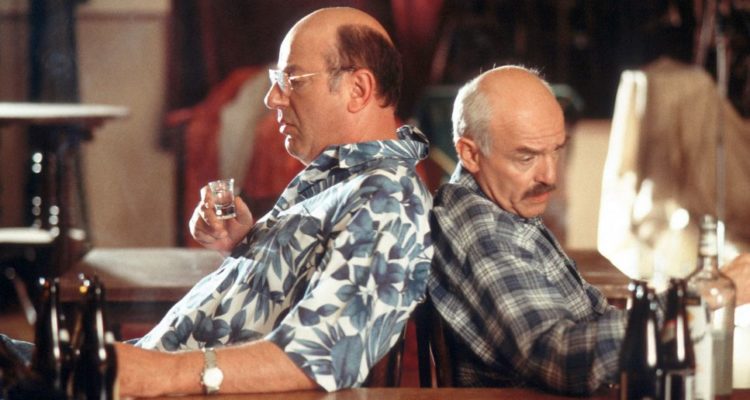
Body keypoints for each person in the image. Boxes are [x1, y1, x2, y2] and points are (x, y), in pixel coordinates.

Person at [110, 7, 433, 397]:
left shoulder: (388, 199)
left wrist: (159, 373)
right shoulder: (340, 179)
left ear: (358, 90)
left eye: (291, 80)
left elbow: (322, 354)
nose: (272, 98)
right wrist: (249, 245)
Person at [426, 65, 750, 395]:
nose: (550, 176)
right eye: (527, 158)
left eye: (556, 150)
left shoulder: (505, 209)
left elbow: (595, 320)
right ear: (470, 153)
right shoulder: (485, 231)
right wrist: (701, 296)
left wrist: (681, 304)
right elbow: (561, 356)